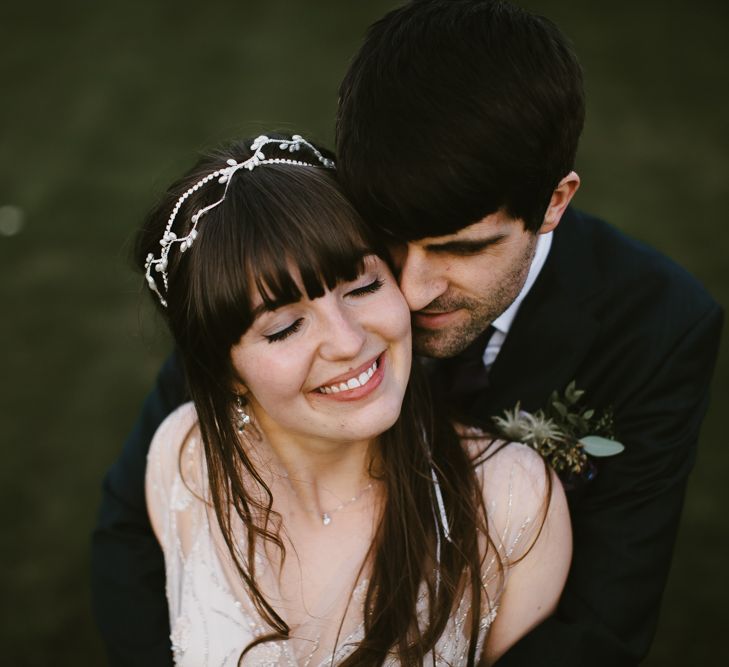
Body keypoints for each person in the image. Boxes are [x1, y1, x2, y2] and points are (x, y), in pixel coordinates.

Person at [92, 1, 722, 665]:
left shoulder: (656, 325)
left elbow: (599, 624)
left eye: (460, 247)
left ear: (554, 202)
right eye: (389, 243)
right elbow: (134, 521)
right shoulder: (309, 244)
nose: (412, 291)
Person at [121, 132, 570, 665]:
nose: (350, 341)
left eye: (361, 288)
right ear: (226, 371)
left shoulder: (509, 499)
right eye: (285, 328)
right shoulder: (183, 460)